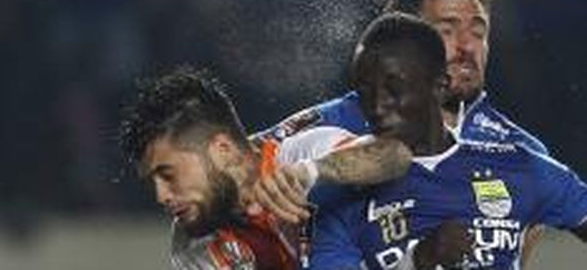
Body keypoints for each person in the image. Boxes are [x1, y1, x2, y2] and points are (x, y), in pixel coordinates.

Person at [251, 0, 548, 263]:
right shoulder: (334, 122)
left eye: (478, 33)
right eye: (447, 31)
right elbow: (240, 162)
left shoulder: (524, 153)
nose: (467, 47)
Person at [308, 13, 587, 269]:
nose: (377, 107)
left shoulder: (517, 165)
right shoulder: (342, 199)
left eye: (394, 90)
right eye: (365, 92)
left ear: (439, 87)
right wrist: (418, 260)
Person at [119, 66, 412, 269]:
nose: (161, 196)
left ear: (222, 151)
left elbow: (395, 155)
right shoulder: (193, 244)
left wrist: (311, 173)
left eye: (169, 175)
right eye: (153, 181)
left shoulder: (296, 153)